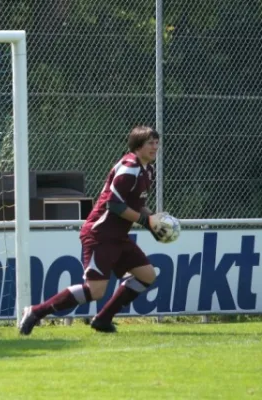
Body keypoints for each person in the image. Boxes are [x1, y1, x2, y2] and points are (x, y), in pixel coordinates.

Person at [18, 125, 167, 335]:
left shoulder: (147, 170)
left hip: (118, 236)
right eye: (150, 143)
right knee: (95, 290)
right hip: (101, 234)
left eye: (156, 142)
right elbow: (114, 205)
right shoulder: (129, 168)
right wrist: (145, 221)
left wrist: (153, 220)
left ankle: (103, 320)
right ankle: (35, 312)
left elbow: (135, 204)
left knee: (147, 275)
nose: (155, 147)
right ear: (137, 146)